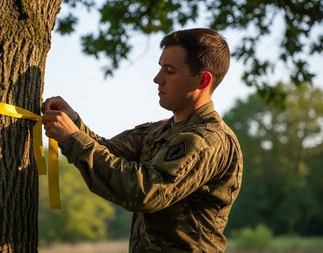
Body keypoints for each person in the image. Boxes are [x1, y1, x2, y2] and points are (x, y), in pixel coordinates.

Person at [42, 28, 243, 253]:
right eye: (160, 68)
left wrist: (73, 138)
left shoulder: (207, 140)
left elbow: (145, 191)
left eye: (170, 71)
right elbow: (107, 152)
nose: (158, 79)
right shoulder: (159, 131)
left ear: (203, 80)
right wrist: (75, 123)